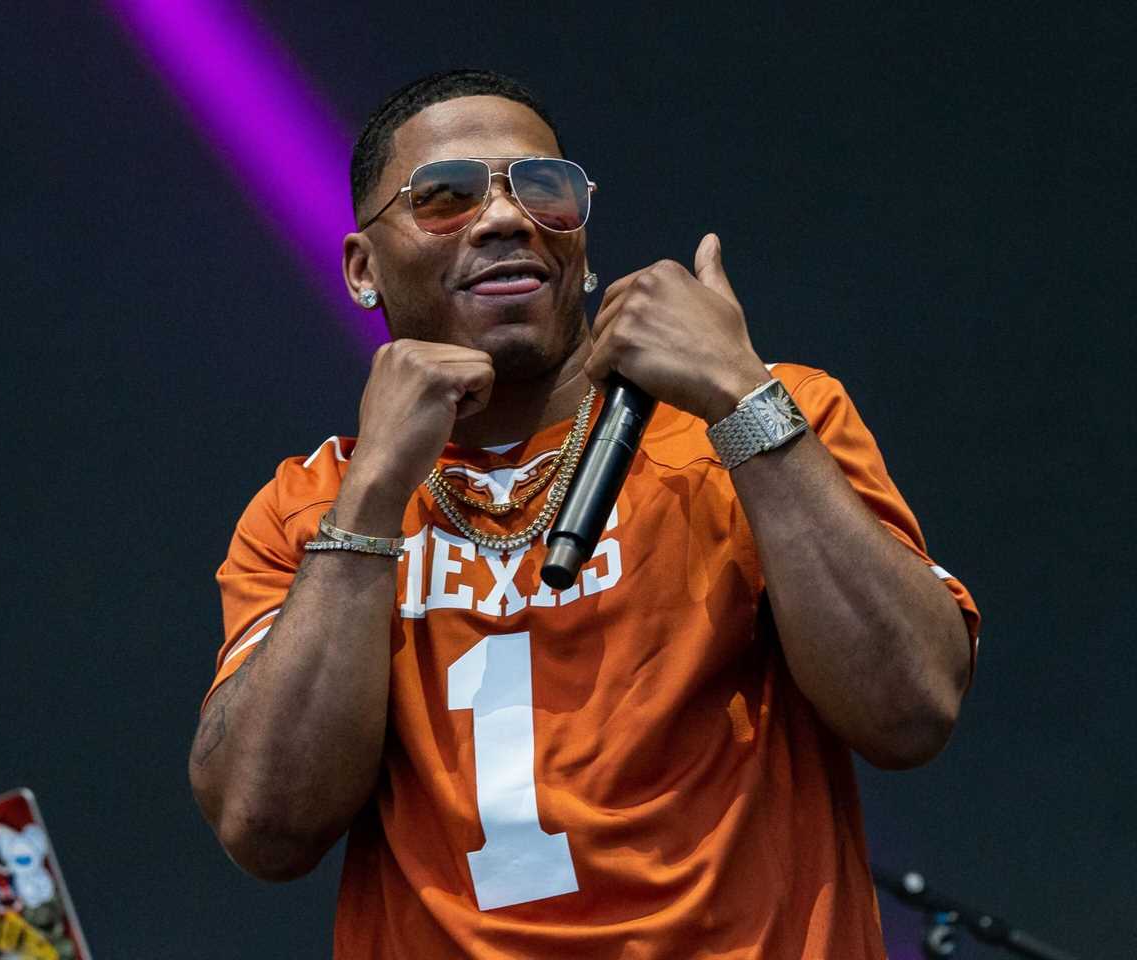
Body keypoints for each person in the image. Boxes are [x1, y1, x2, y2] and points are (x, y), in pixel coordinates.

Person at [189, 69, 980, 959]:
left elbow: (912, 708)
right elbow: (266, 826)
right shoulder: (309, 508)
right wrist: (373, 493)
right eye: (444, 196)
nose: (502, 217)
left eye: (544, 190)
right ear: (362, 269)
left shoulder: (761, 421)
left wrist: (739, 397)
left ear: (581, 236)